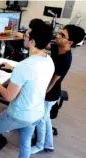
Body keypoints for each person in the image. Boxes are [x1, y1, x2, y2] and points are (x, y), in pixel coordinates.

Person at [0, 19, 55, 158]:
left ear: (32, 42)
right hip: (36, 112)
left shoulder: (25, 66)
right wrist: (13, 68)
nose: (23, 37)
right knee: (25, 142)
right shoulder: (48, 60)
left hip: (19, 114)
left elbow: (8, 97)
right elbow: (34, 74)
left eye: (25, 35)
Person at [31, 25, 85, 154]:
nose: (58, 36)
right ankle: (49, 144)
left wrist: (40, 94)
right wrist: (27, 36)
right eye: (59, 33)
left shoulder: (65, 59)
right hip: (50, 92)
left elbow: (52, 82)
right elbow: (45, 45)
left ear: (70, 42)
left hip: (50, 93)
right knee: (46, 119)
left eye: (62, 35)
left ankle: (40, 145)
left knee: (42, 119)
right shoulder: (58, 48)